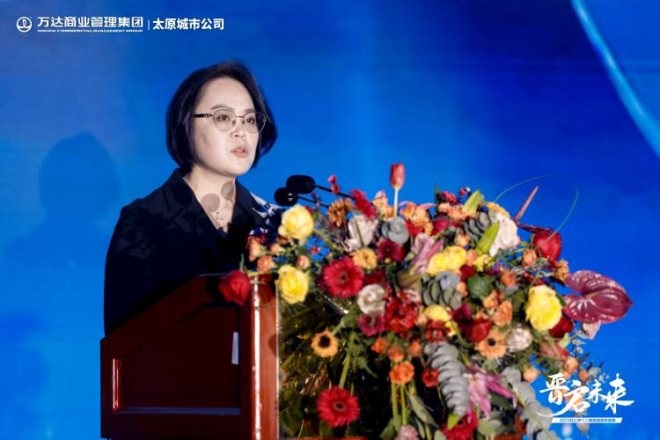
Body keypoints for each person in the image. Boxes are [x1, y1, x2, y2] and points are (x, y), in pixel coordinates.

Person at [104, 61, 280, 334]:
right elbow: (124, 343)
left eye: (249, 119)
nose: (241, 131)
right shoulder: (145, 221)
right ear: (186, 125)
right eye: (223, 117)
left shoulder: (272, 222)